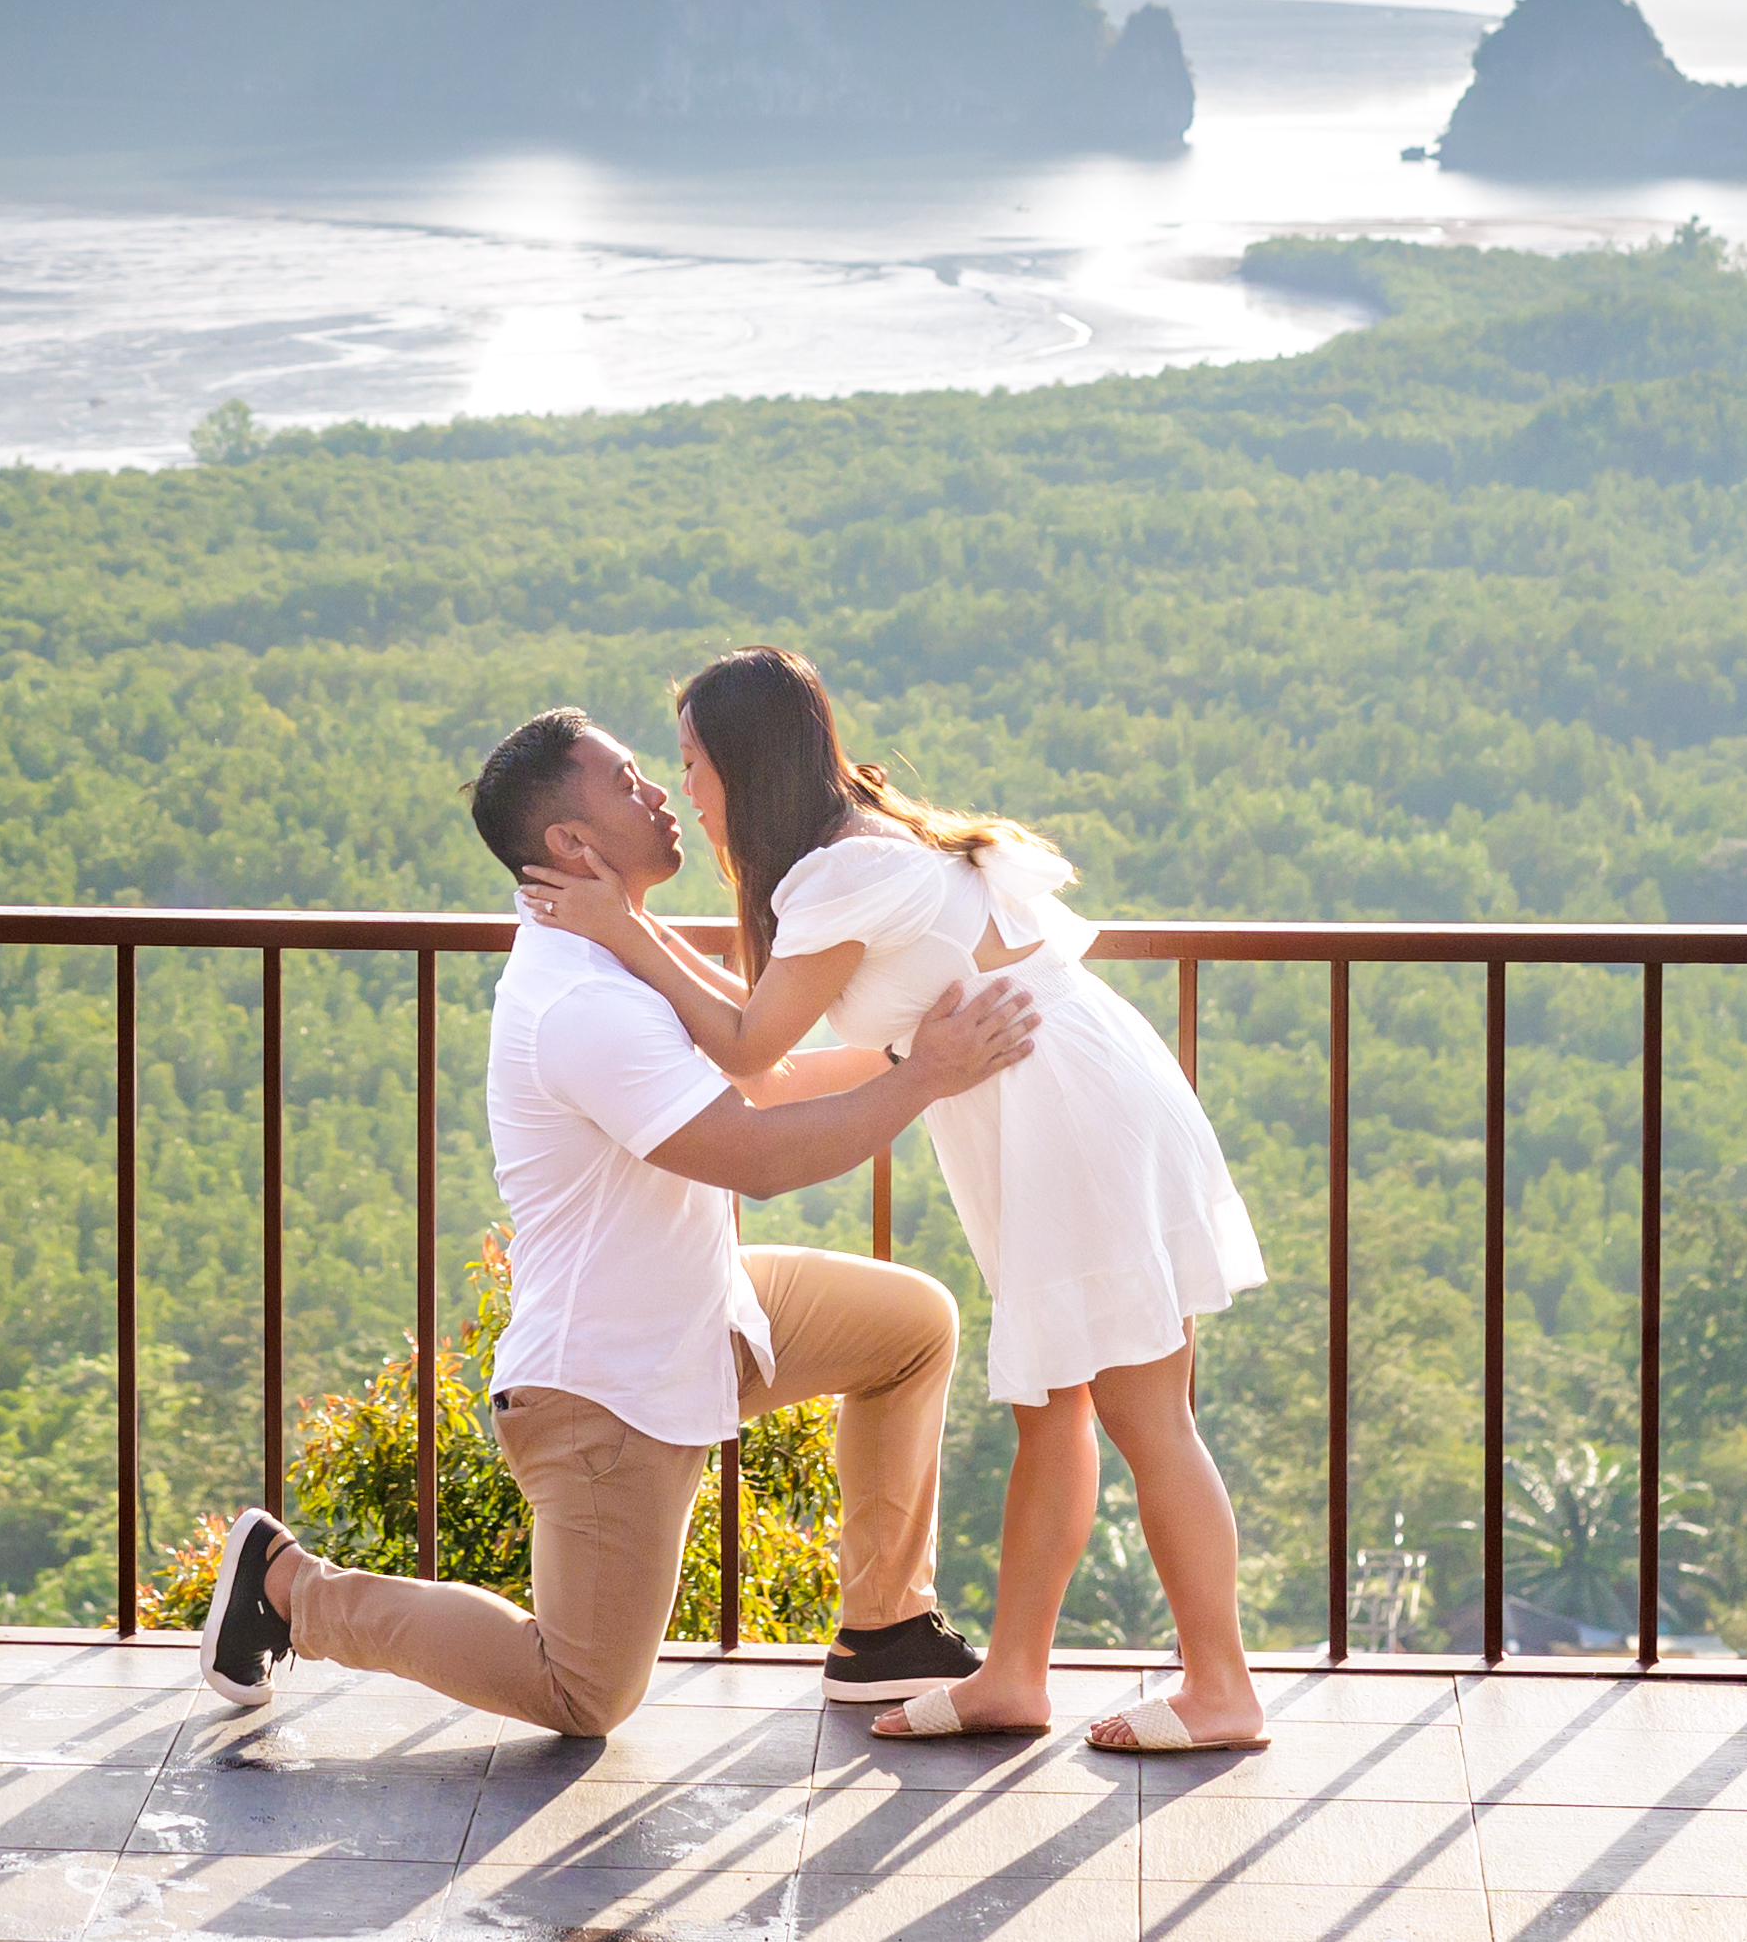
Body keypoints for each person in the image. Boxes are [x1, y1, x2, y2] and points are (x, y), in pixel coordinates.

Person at [196, 706, 1047, 1738]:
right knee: (583, 1693)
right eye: (629, 780)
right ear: (570, 842)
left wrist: (929, 1048)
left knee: (909, 1328)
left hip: (708, 1317)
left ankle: (885, 1632)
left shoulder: (613, 952)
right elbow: (755, 1155)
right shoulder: (579, 1001)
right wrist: (925, 1077)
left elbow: (763, 1071)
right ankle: (287, 1586)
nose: (660, 793)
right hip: (604, 1388)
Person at [523, 644, 1269, 1754]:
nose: (684, 791)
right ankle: (1014, 1675)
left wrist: (624, 933)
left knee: (1141, 1410)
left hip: (1064, 1113)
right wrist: (644, 942)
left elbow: (746, 1044)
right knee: (1053, 1406)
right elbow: (775, 1065)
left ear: (741, 764)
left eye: (689, 762)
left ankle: (1221, 1688)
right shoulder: (857, 846)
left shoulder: (836, 873)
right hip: (1053, 1097)